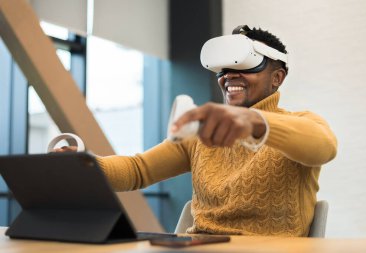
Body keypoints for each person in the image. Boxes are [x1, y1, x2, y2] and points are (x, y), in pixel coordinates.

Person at [56, 25, 337, 237]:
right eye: (223, 69)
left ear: (277, 77)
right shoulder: (200, 135)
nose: (229, 76)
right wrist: (83, 166)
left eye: (246, 65)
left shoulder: (301, 123)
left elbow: (323, 147)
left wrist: (254, 123)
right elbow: (138, 170)